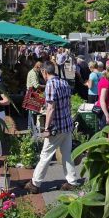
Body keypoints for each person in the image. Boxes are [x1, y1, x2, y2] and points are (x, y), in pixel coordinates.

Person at [25, 62, 79, 194]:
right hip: (66, 124)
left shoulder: (50, 84)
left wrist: (47, 128)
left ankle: (35, 183)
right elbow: (68, 103)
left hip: (56, 127)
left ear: (44, 72)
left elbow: (51, 108)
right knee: (66, 154)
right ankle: (72, 181)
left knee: (45, 155)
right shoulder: (64, 82)